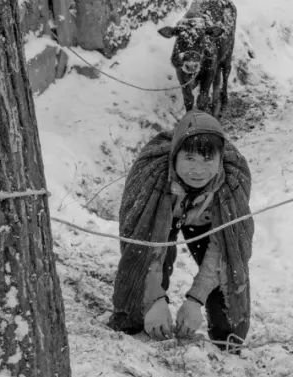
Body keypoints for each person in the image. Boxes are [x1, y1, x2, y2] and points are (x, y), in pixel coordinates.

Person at [108, 110, 253, 351]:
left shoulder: (230, 184)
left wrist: (195, 299)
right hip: (165, 213)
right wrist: (154, 299)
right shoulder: (152, 177)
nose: (198, 170)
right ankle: (139, 315)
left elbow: (225, 250)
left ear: (220, 160)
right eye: (190, 159)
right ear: (174, 156)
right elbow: (141, 245)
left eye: (208, 160)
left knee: (228, 288)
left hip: (205, 218)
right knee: (144, 286)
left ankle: (224, 332)